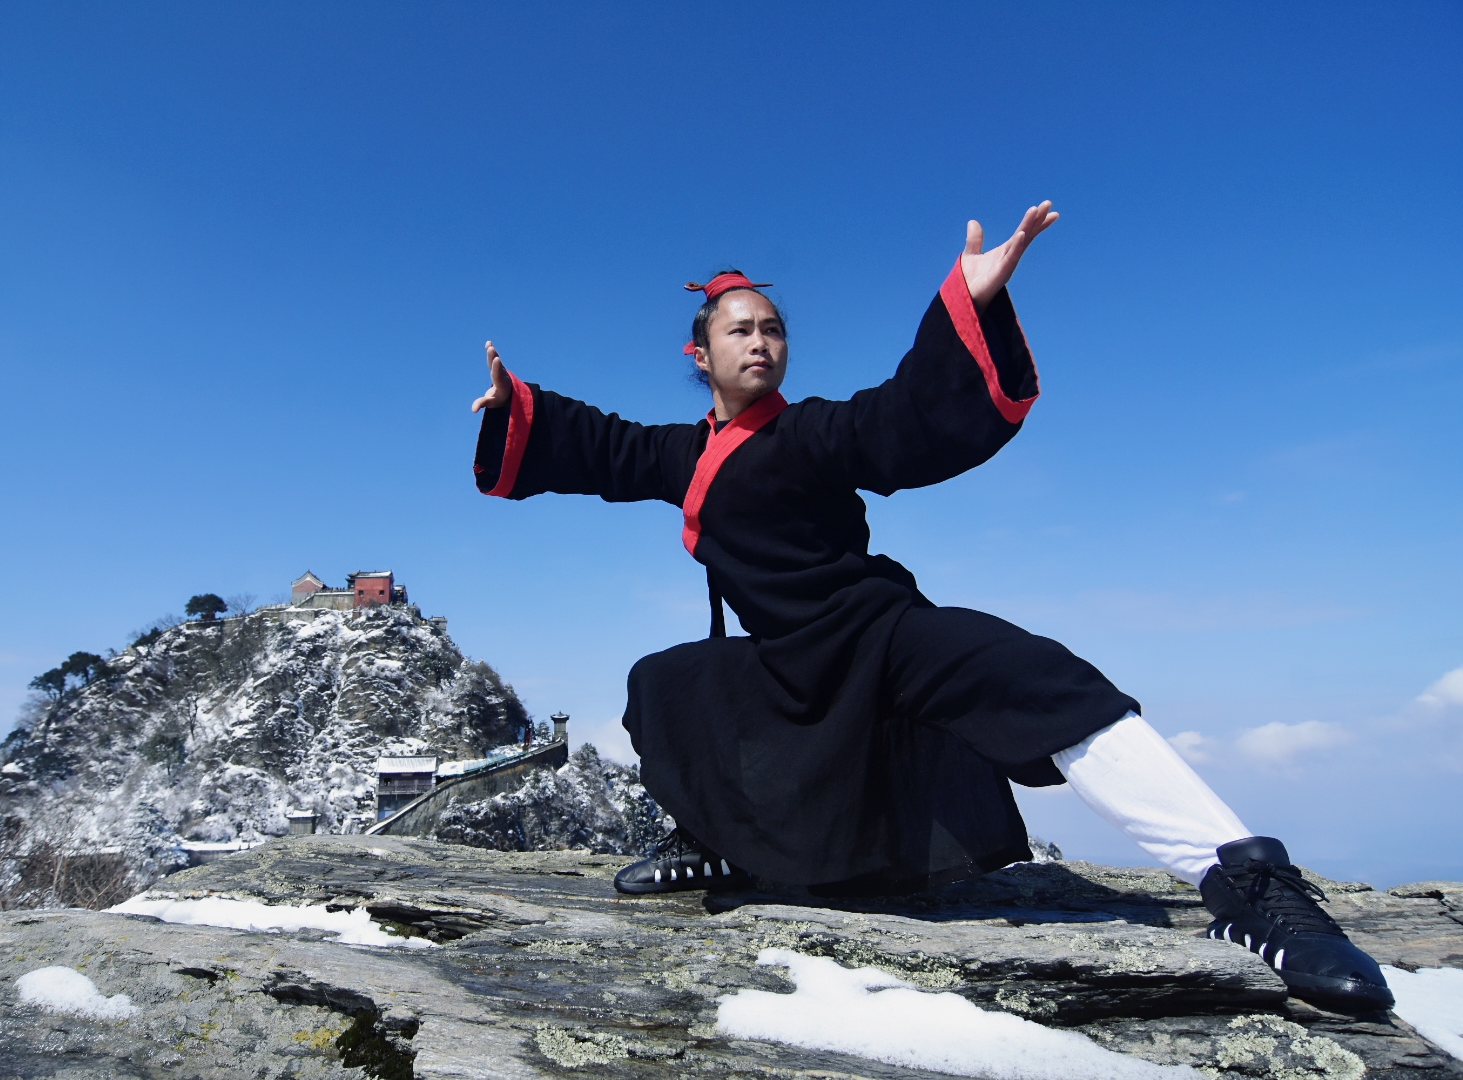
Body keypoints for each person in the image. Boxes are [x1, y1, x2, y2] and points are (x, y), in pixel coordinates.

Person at [469, 203, 1393, 1013]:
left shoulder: (819, 431)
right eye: (741, 330)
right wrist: (517, 407)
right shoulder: (677, 454)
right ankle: (718, 844)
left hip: (878, 636)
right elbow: (599, 446)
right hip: (790, 660)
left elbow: (904, 418)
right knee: (672, 679)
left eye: (775, 330)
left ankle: (1249, 887)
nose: (762, 343)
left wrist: (973, 303)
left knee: (1040, 677)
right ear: (699, 351)